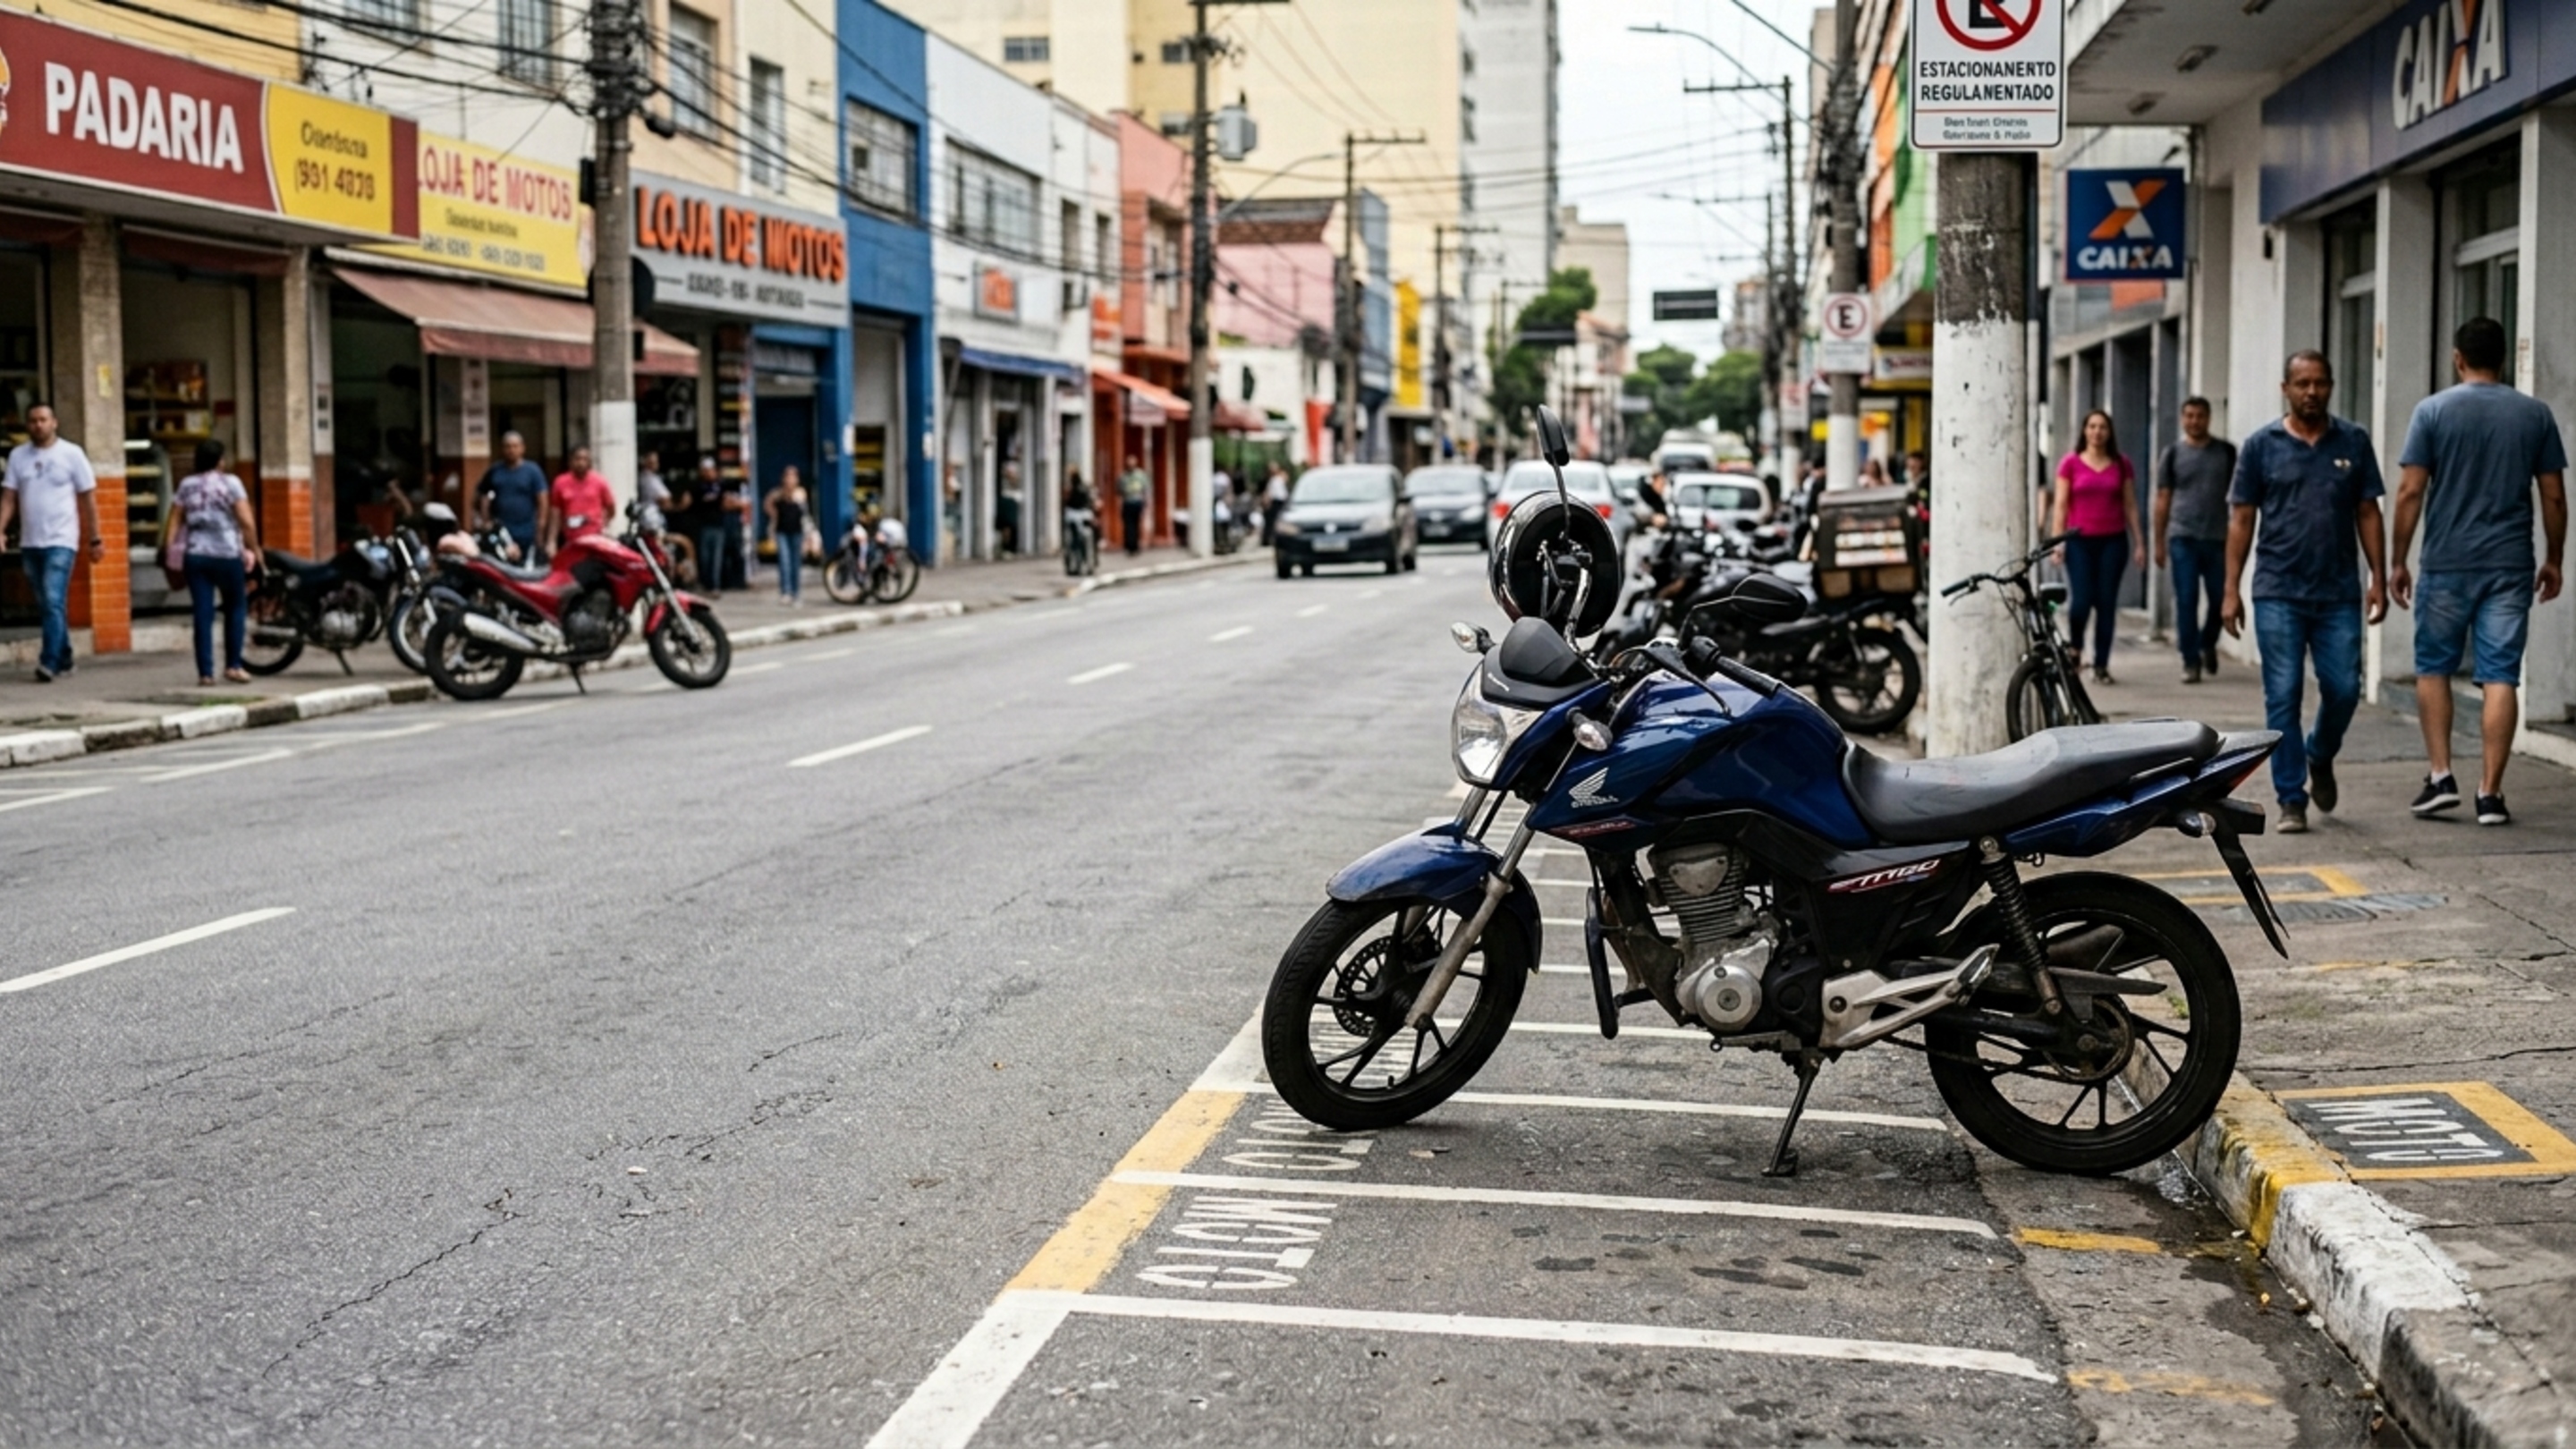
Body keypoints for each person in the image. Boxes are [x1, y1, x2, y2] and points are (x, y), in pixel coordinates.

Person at [2389, 317, 2570, 826]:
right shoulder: (2534, 415)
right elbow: (2554, 496)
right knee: (2500, 675)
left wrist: (2397, 559)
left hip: (2447, 562)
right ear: (2504, 359)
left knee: (2434, 667)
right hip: (2509, 563)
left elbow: (2410, 492)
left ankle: (2441, 776)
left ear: (2458, 358)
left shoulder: (2432, 411)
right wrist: (2554, 558)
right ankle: (2490, 794)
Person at [2223, 350, 2390, 835]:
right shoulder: (2261, 446)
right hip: (2277, 590)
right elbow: (2241, 519)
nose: (2312, 392)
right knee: (2283, 695)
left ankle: (2320, 752)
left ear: (2331, 386)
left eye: (2320, 383)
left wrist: (2378, 577)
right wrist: (2230, 589)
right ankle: (2291, 797)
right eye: (2302, 383)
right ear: (2286, 389)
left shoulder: (2353, 441)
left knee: (2344, 689)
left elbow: (2368, 512)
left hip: (2338, 592)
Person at [0, 402, 102, 682]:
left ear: (54, 422)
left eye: (43, 420)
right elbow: (9, 497)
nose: (38, 425)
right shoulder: (18, 456)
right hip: (31, 541)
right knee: (47, 603)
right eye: (33, 421)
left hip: (62, 539)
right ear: (27, 425)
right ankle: (65, 657)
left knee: (53, 598)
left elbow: (89, 498)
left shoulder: (72, 454)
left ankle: (49, 661)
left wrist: (95, 537)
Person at [2050, 410, 2145, 685]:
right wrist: (2057, 543)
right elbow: (2060, 506)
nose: (2097, 432)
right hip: (2079, 541)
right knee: (2081, 601)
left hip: (2113, 542)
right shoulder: (2070, 463)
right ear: (2084, 430)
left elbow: (2130, 505)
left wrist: (2139, 542)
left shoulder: (2121, 464)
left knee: (2106, 603)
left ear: (2109, 432)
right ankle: (2076, 648)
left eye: (2102, 427)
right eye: (2092, 426)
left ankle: (2101, 664)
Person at [2154, 396, 2237, 684]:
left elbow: (2240, 498)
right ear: (2182, 418)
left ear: (2209, 418)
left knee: (2219, 599)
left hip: (2218, 538)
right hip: (2183, 537)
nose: (2194, 421)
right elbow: (2162, 498)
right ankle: (2190, 660)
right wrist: (2159, 541)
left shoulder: (2226, 452)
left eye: (2200, 416)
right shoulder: (2173, 454)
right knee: (2186, 599)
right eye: (2189, 416)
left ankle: (2207, 642)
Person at [172, 439, 262, 685]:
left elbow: (176, 518)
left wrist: (170, 550)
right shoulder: (231, 483)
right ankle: (233, 666)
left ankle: (206, 673)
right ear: (220, 460)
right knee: (235, 608)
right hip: (227, 555)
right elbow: (246, 522)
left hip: (196, 555)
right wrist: (255, 550)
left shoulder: (187, 485)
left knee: (203, 612)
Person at [474, 431, 548, 560]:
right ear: (502, 449)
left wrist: (540, 530)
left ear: (522, 448)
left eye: (515, 446)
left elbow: (543, 501)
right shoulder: (494, 470)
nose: (511, 450)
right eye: (508, 447)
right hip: (501, 531)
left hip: (527, 530)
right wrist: (485, 521)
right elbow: (482, 495)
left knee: (526, 566)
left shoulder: (533, 471)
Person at [546, 445, 614, 554]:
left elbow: (611, 507)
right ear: (571, 461)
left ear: (590, 462)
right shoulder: (560, 483)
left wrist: (604, 524)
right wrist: (551, 541)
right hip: (570, 540)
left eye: (585, 459)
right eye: (578, 459)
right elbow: (555, 514)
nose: (581, 463)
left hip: (595, 538)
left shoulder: (600, 481)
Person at [766, 465, 811, 604]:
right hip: (782, 531)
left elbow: (804, 512)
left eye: (793, 477)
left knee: (795, 563)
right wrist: (773, 513)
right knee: (784, 561)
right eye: (788, 477)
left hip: (797, 531)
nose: (790, 480)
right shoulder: (778, 493)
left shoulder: (800, 493)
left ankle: (796, 592)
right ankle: (785, 591)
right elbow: (767, 503)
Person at [688, 455, 729, 595]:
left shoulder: (721, 486)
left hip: (718, 526)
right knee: (704, 558)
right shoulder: (698, 487)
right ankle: (705, 584)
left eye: (710, 470)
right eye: (705, 470)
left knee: (716, 559)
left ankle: (715, 586)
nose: (708, 473)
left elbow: (727, 502)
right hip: (703, 526)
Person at [1119, 453, 1149, 556]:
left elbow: (1145, 489)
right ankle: (1129, 546)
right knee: (1129, 525)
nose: (1131, 465)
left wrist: (1146, 502)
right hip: (1128, 502)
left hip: (1137, 501)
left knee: (1136, 525)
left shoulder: (1140, 475)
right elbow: (1119, 490)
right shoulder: (1123, 476)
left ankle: (1135, 545)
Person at [636, 449, 670, 532]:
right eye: (652, 462)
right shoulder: (647, 478)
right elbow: (664, 499)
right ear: (645, 462)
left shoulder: (653, 477)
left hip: (654, 516)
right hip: (651, 518)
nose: (656, 464)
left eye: (656, 461)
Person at [1262, 460, 1290, 545]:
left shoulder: (1279, 479)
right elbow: (1268, 493)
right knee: (1271, 522)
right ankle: (1268, 539)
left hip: (1281, 502)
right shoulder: (1271, 480)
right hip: (1274, 502)